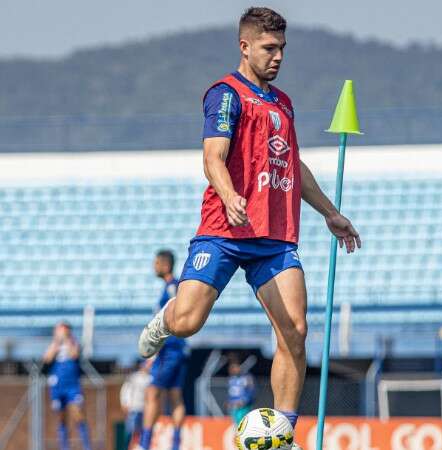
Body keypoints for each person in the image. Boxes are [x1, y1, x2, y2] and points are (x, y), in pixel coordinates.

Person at [138, 7, 361, 448]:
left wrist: (329, 212)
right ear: (245, 47)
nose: (278, 57)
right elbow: (212, 157)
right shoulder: (225, 94)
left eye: (282, 49)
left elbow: (291, 164)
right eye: (269, 48)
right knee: (188, 321)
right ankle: (163, 321)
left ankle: (283, 434)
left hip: (274, 238)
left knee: (295, 331)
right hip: (225, 229)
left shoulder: (283, 104)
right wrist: (229, 194)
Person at [136, 250, 188, 450]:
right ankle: (176, 445)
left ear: (165, 265)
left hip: (170, 349)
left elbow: (177, 311)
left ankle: (144, 444)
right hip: (178, 349)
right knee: (175, 396)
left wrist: (156, 351)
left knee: (152, 393)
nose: (154, 267)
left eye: (156, 263)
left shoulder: (172, 287)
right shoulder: (169, 287)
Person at [43, 322, 92, 450]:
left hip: (73, 386)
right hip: (58, 387)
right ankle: (64, 447)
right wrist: (56, 342)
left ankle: (86, 446)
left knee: (78, 414)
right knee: (60, 417)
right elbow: (47, 359)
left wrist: (67, 339)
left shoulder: (73, 343)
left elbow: (74, 354)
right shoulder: (54, 345)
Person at [120, 360, 151, 449]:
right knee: (130, 432)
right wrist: (125, 403)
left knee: (143, 432)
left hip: (145, 409)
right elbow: (126, 390)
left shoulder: (151, 378)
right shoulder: (134, 377)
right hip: (134, 409)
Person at [227, 354, 255, 426]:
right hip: (234, 408)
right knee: (235, 426)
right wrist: (230, 402)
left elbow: (251, 392)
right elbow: (232, 394)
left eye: (234, 367)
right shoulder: (232, 379)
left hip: (244, 407)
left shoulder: (247, 378)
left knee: (244, 425)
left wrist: (244, 401)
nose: (232, 369)